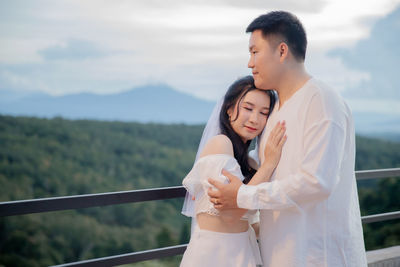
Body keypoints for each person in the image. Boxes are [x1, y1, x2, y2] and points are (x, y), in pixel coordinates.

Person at [207, 11, 367, 266]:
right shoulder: (275, 111)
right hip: (280, 255)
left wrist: (242, 195)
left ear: (281, 51)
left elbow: (318, 182)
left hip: (319, 256)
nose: (250, 63)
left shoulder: (321, 100)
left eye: (254, 52)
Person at [180, 75, 287, 267]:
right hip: (215, 255)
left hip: (241, 251)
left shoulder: (246, 160)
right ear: (229, 109)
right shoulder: (220, 143)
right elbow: (231, 214)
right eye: (248, 108)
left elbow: (247, 219)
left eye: (264, 113)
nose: (255, 119)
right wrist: (269, 163)